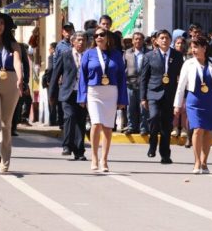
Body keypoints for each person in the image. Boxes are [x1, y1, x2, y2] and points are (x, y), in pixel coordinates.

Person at [174, 36, 212, 173]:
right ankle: (197, 162)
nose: (193, 50)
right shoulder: (188, 64)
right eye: (192, 47)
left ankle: (204, 162)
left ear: (204, 48)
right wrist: (177, 104)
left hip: (211, 99)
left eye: (196, 47)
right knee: (198, 129)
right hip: (194, 99)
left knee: (208, 130)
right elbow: (181, 85)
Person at [78, 28, 128, 172]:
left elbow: (121, 77)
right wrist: (82, 97)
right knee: (96, 123)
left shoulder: (116, 54)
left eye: (102, 34)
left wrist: (122, 99)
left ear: (108, 37)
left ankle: (104, 159)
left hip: (111, 92)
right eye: (96, 35)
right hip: (94, 92)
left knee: (107, 127)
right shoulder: (89, 53)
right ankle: (94, 157)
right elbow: (82, 76)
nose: (98, 37)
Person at [0, 13, 23, 173]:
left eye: (1, 23)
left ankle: (5, 162)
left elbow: (18, 62)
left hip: (11, 81)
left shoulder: (13, 45)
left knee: (6, 123)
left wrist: (20, 79)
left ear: (6, 26)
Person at [140, 29, 184, 164]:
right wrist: (143, 98)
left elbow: (181, 76)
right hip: (153, 92)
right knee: (153, 117)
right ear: (157, 41)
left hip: (170, 94)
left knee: (166, 125)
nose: (164, 40)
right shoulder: (149, 56)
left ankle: (165, 154)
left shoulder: (177, 55)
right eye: (162, 38)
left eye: (167, 38)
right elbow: (144, 78)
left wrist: (181, 95)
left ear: (171, 41)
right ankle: (152, 143)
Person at [50, 32, 88, 160]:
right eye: (79, 40)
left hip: (82, 93)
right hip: (67, 93)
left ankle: (79, 151)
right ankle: (67, 146)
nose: (81, 42)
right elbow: (55, 75)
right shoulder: (65, 55)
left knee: (81, 122)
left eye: (83, 40)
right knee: (70, 117)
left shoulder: (88, 56)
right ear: (73, 42)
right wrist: (52, 94)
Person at [124, 32, 149, 135]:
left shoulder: (148, 53)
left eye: (140, 39)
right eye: (136, 39)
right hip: (130, 84)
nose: (138, 41)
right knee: (130, 107)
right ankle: (131, 126)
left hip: (144, 84)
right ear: (132, 41)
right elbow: (123, 67)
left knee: (143, 108)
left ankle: (143, 128)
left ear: (143, 41)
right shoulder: (127, 53)